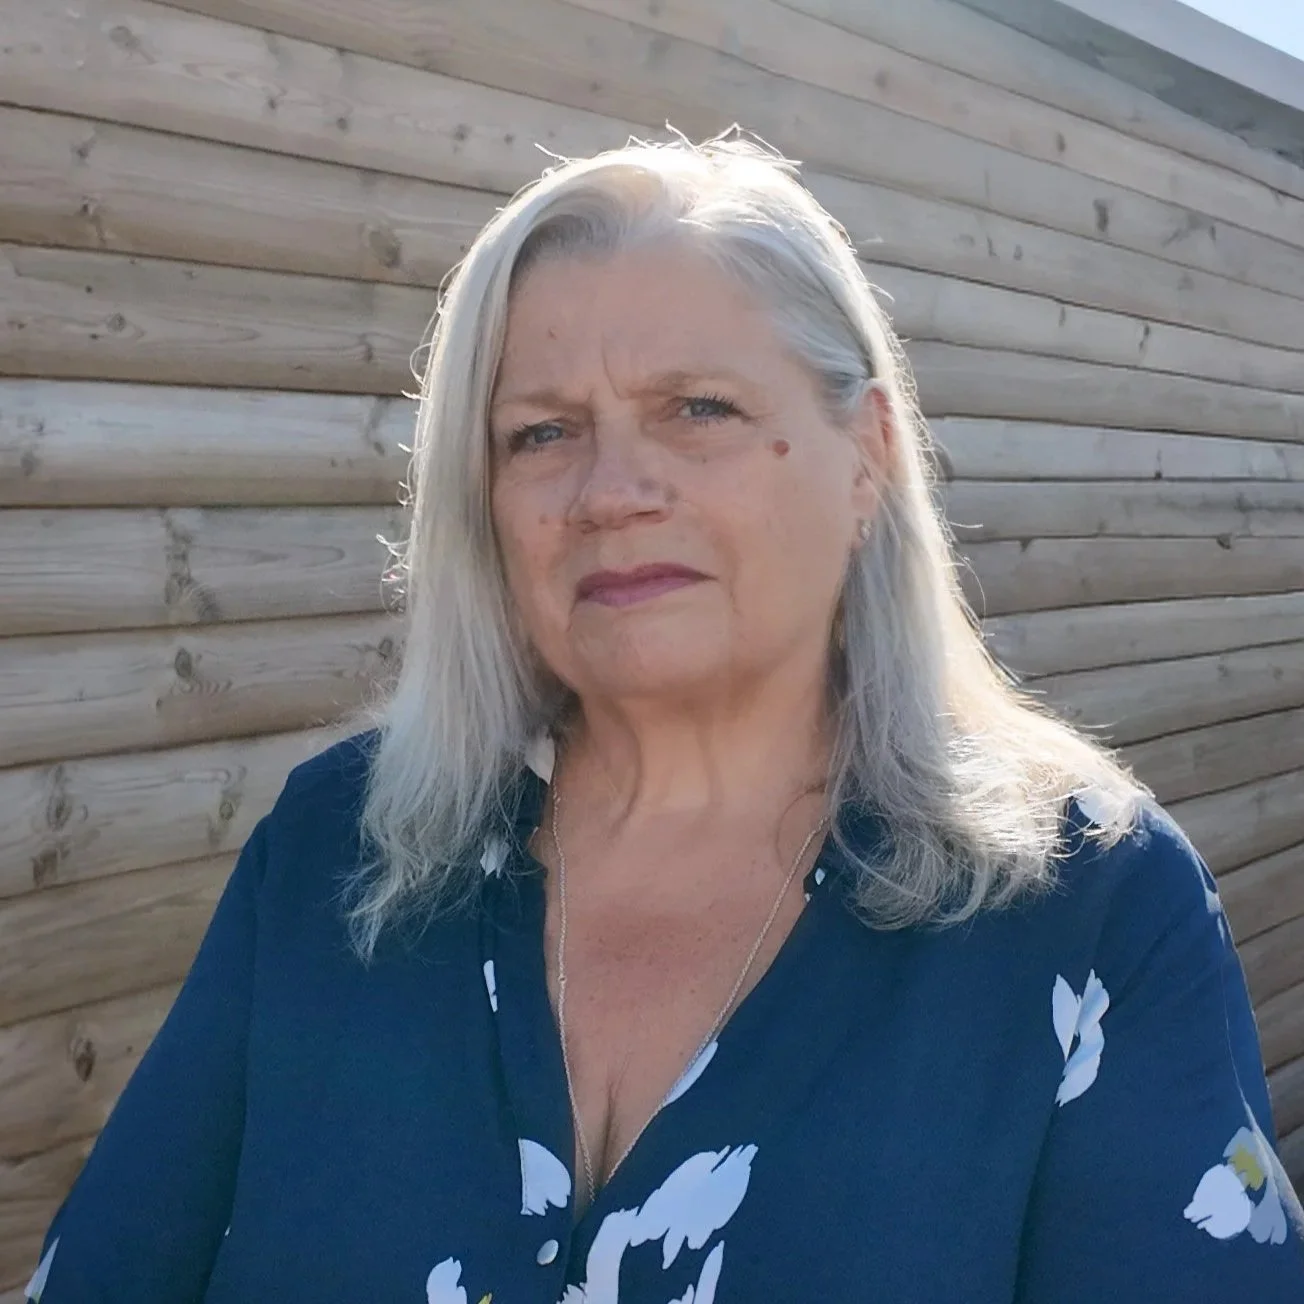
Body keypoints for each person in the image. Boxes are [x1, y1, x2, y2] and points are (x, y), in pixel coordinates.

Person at [23, 132, 1304, 1304]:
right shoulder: (334, 854)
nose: (610, 488)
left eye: (698, 409)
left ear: (866, 455)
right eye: (540, 433)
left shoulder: (1082, 906)